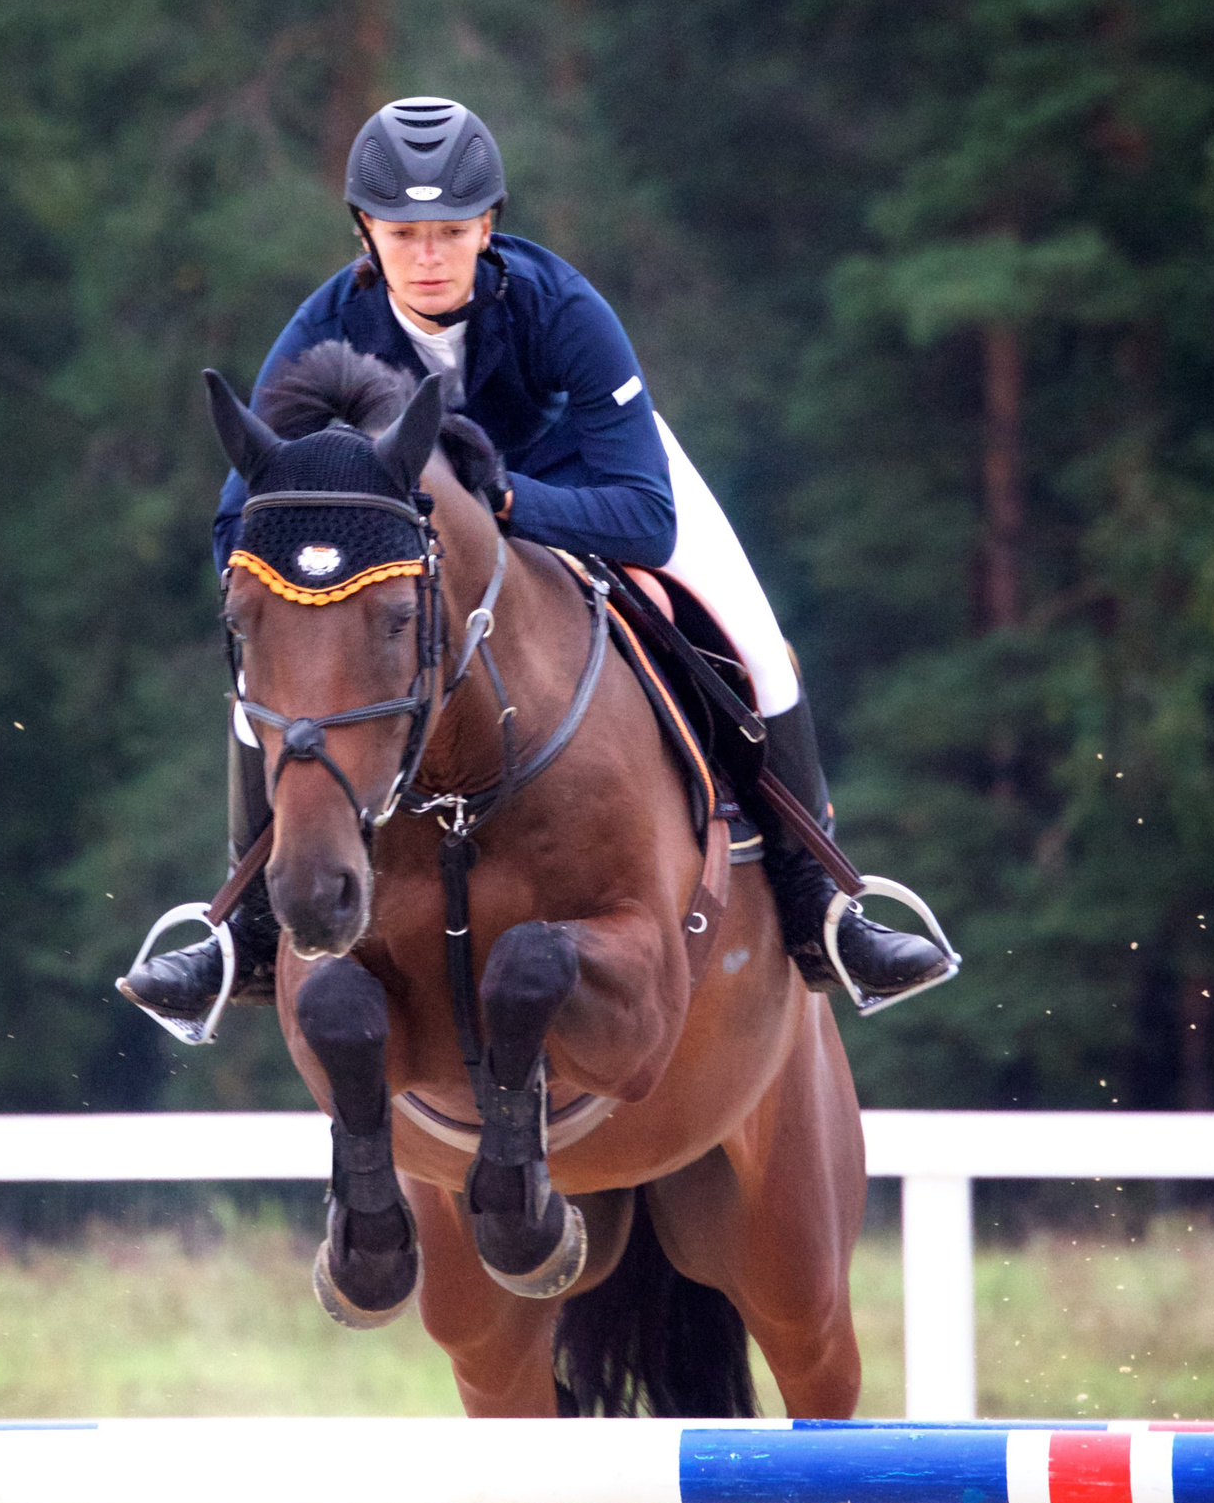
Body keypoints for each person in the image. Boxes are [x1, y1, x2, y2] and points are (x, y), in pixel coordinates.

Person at [123, 97, 953, 1022]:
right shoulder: (324, 328)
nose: (428, 257)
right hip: (410, 539)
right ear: (366, 231)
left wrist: (505, 504)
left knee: (758, 645)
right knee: (273, 686)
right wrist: (296, 599)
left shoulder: (561, 308)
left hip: (581, 489)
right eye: (404, 234)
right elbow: (239, 524)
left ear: (489, 226)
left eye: (451, 232)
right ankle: (248, 935)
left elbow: (641, 514)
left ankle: (821, 909)